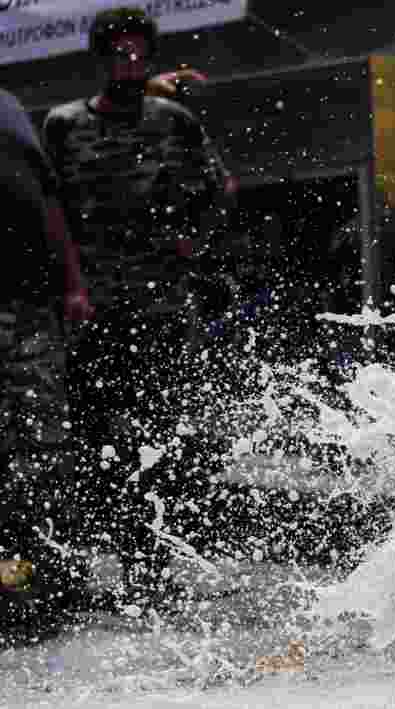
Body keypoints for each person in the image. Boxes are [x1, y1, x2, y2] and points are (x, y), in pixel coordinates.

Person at [42, 6, 236, 607]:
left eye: (137, 53)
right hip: (94, 310)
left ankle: (164, 562)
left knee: (168, 436)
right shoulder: (63, 125)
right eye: (117, 53)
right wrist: (69, 287)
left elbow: (220, 187)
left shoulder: (172, 121)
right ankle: (122, 560)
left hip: (162, 307)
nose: (128, 64)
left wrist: (194, 241)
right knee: (102, 441)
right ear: (99, 58)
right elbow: (50, 215)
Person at [0, 87, 93, 626]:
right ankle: (14, 585)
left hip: (32, 302)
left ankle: (51, 583)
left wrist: (72, 284)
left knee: (46, 450)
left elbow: (48, 200)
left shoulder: (7, 108)